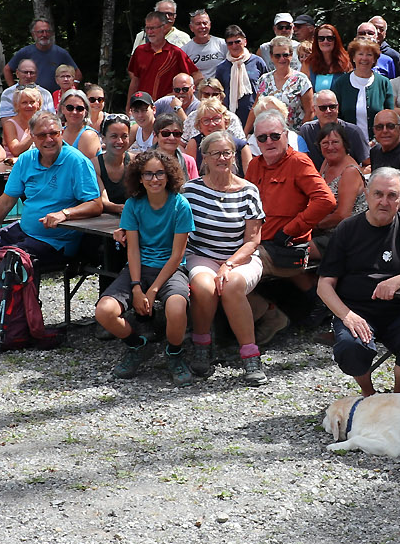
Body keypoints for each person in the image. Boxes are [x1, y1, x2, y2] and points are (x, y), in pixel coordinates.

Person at [318, 166, 400, 397]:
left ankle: (398, 398)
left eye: (391, 195)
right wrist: (347, 316)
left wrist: (397, 281)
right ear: (367, 194)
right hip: (356, 309)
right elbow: (324, 285)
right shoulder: (347, 229)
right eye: (378, 194)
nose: (384, 202)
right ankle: (369, 395)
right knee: (351, 346)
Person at [95, 146, 199, 384]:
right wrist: (136, 286)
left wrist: (152, 291)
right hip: (138, 268)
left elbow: (177, 256)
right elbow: (132, 248)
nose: (155, 179)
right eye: (148, 174)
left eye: (160, 173)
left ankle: (174, 352)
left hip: (171, 270)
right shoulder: (133, 205)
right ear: (139, 178)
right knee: (104, 311)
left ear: (169, 175)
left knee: (175, 308)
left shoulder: (180, 205)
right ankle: (137, 346)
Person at [0, 110, 103, 277]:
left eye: (54, 133)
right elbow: (5, 202)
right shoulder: (26, 159)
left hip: (56, 241)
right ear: (32, 136)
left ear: (62, 133)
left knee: (9, 263)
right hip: (25, 231)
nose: (49, 140)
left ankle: (17, 304)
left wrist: (65, 214)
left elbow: (95, 204)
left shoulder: (77, 161)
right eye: (42, 135)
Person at [183, 130, 270, 384]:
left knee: (231, 285)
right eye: (216, 153)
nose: (222, 158)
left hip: (241, 257)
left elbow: (253, 240)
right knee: (204, 286)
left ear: (234, 156)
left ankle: (250, 355)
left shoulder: (248, 191)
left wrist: (229, 264)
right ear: (205, 158)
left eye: (227, 153)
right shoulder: (190, 190)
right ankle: (201, 345)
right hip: (203, 255)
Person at [247, 108, 335, 299]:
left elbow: (326, 200)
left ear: (286, 135)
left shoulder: (298, 162)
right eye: (262, 138)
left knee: (233, 269)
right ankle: (270, 314)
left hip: (284, 248)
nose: (269, 142)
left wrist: (290, 230)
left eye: (275, 135)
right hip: (257, 242)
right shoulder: (254, 165)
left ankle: (271, 315)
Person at [309, 121, 366, 251]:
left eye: (335, 142)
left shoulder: (350, 171)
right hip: (325, 228)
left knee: (296, 251)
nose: (330, 147)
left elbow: (342, 215)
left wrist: (313, 225)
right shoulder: (327, 162)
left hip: (347, 234)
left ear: (344, 144)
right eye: (325, 143)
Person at [125, 6, 196, 104]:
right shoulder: (139, 51)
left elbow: (194, 76)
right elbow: (135, 80)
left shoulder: (176, 53)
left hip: (167, 107)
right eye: (147, 28)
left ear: (163, 27)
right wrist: (129, 105)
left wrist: (175, 94)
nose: (149, 32)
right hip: (143, 106)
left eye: (153, 28)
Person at [336, 38, 394, 141]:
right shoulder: (341, 83)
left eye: (369, 55)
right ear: (353, 58)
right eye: (360, 54)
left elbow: (390, 116)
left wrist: (376, 141)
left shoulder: (384, 83)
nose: (364, 58)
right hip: (348, 145)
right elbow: (336, 116)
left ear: (374, 59)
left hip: (378, 145)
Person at [211, 26, 268, 127]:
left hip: (257, 116)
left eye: (237, 42)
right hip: (231, 117)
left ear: (245, 42)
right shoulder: (221, 67)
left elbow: (267, 88)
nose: (234, 46)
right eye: (230, 43)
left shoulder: (257, 62)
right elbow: (219, 94)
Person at [256, 36, 316, 129]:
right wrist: (246, 133)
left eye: (285, 55)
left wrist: (302, 135)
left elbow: (310, 111)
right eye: (277, 55)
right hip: (269, 135)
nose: (282, 59)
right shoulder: (264, 80)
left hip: (294, 135)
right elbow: (256, 109)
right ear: (271, 56)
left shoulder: (301, 80)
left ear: (291, 55)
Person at [298, 89, 369, 164]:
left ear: (338, 108)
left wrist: (351, 173)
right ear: (314, 110)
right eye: (323, 108)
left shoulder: (353, 132)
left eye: (332, 107)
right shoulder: (307, 131)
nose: (328, 111)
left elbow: (368, 165)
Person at [95, 115, 134, 213]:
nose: (120, 141)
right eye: (114, 136)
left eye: (124, 136)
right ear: (103, 138)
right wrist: (121, 209)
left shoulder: (136, 162)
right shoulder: (94, 165)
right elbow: (103, 201)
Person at [0, 84, 47, 159]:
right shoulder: (10, 124)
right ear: (17, 105)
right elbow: (15, 150)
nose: (29, 106)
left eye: (32, 102)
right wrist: (35, 132)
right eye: (24, 102)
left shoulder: (43, 122)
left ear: (38, 104)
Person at [153, 73, 204, 141]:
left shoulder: (199, 107)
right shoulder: (164, 102)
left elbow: (191, 130)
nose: (181, 92)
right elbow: (148, 116)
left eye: (185, 89)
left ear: (193, 88)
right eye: (177, 90)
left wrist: (178, 109)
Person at [304, 23, 351, 92]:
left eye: (330, 38)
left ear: (336, 40)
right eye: (321, 38)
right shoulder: (308, 63)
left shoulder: (347, 62)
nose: (325, 41)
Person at [57, 89, 102, 161]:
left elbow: (81, 167)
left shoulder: (88, 136)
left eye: (79, 109)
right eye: (70, 108)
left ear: (86, 111)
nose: (74, 112)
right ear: (62, 109)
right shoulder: (59, 133)